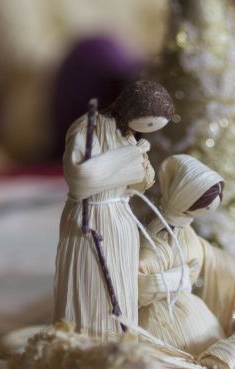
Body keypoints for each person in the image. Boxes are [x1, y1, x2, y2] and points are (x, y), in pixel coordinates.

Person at [54, 80, 174, 337]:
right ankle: (83, 343)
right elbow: (81, 179)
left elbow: (144, 180)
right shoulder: (88, 129)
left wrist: (135, 162)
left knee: (119, 285)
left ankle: (119, 342)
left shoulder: (127, 133)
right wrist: (132, 157)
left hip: (120, 219)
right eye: (148, 125)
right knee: (90, 282)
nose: (147, 133)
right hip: (91, 216)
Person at [138, 154, 235, 355]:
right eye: (207, 201)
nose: (214, 204)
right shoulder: (160, 237)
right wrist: (180, 279)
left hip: (190, 308)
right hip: (162, 317)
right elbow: (140, 279)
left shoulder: (185, 231)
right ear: (186, 198)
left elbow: (217, 260)